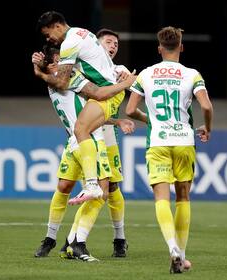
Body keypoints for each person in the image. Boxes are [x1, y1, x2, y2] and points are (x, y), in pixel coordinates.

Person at [32, 45, 135, 261]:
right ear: (53, 65)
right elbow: (98, 92)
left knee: (64, 187)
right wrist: (125, 83)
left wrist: (39, 69)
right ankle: (76, 243)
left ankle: (55, 240)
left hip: (74, 141)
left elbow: (89, 112)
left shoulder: (56, 81)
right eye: (59, 61)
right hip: (91, 141)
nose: (64, 64)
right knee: (101, 192)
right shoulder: (67, 78)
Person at [125, 26, 213, 273]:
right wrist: (207, 127)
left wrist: (150, 120)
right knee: (183, 197)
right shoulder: (191, 74)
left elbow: (130, 111)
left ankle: (172, 248)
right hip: (184, 141)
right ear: (181, 47)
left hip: (158, 142)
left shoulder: (146, 74)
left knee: (161, 198)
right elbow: (206, 106)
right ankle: (182, 256)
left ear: (159, 48)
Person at [35, 11, 135, 204]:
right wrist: (44, 64)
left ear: (57, 26)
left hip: (106, 91)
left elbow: (62, 81)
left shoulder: (69, 43)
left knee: (80, 129)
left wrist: (40, 74)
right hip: (107, 88)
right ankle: (93, 189)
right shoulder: (82, 32)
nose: (49, 39)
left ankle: (91, 186)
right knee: (82, 131)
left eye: (48, 34)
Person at [96, 28, 131, 257]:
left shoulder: (120, 71)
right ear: (97, 45)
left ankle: (120, 238)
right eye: (109, 42)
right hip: (84, 133)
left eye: (116, 44)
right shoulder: (83, 66)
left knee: (112, 187)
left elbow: (136, 87)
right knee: (70, 185)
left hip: (107, 133)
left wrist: (127, 81)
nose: (113, 46)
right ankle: (63, 237)